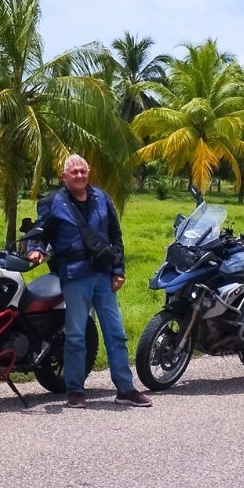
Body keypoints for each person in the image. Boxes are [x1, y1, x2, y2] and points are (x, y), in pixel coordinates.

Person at [28, 154, 150, 408]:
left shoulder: (102, 199)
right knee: (75, 335)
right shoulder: (53, 202)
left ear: (89, 173)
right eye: (74, 172)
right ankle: (75, 390)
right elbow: (40, 231)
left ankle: (125, 389)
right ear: (64, 177)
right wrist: (35, 249)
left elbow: (115, 236)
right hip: (74, 276)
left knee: (116, 334)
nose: (80, 176)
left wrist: (118, 270)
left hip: (103, 276)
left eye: (83, 171)